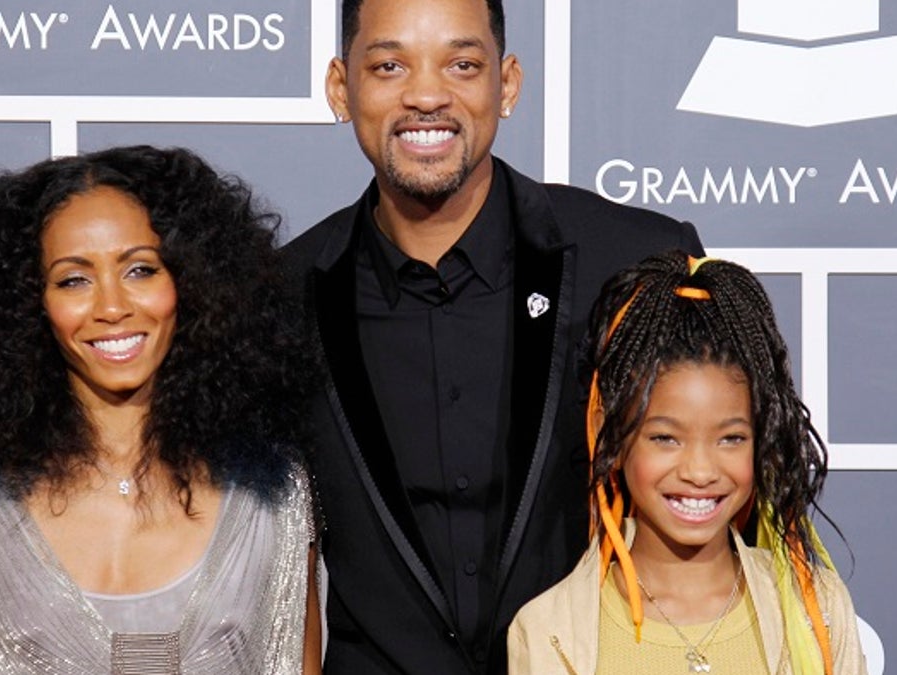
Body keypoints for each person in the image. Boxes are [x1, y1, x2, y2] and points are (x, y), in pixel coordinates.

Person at [283, 0, 703, 671]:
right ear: (342, 88)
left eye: (462, 64)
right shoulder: (280, 295)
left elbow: (726, 506)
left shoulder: (634, 262)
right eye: (390, 65)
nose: (426, 95)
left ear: (506, 84)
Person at [0, 145, 322, 674]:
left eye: (141, 270)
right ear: (25, 303)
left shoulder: (274, 497)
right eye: (74, 279)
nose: (111, 307)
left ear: (193, 282)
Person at [508, 251, 867, 674]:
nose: (699, 471)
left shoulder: (817, 611)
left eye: (731, 438)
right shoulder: (550, 632)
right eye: (665, 438)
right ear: (612, 433)